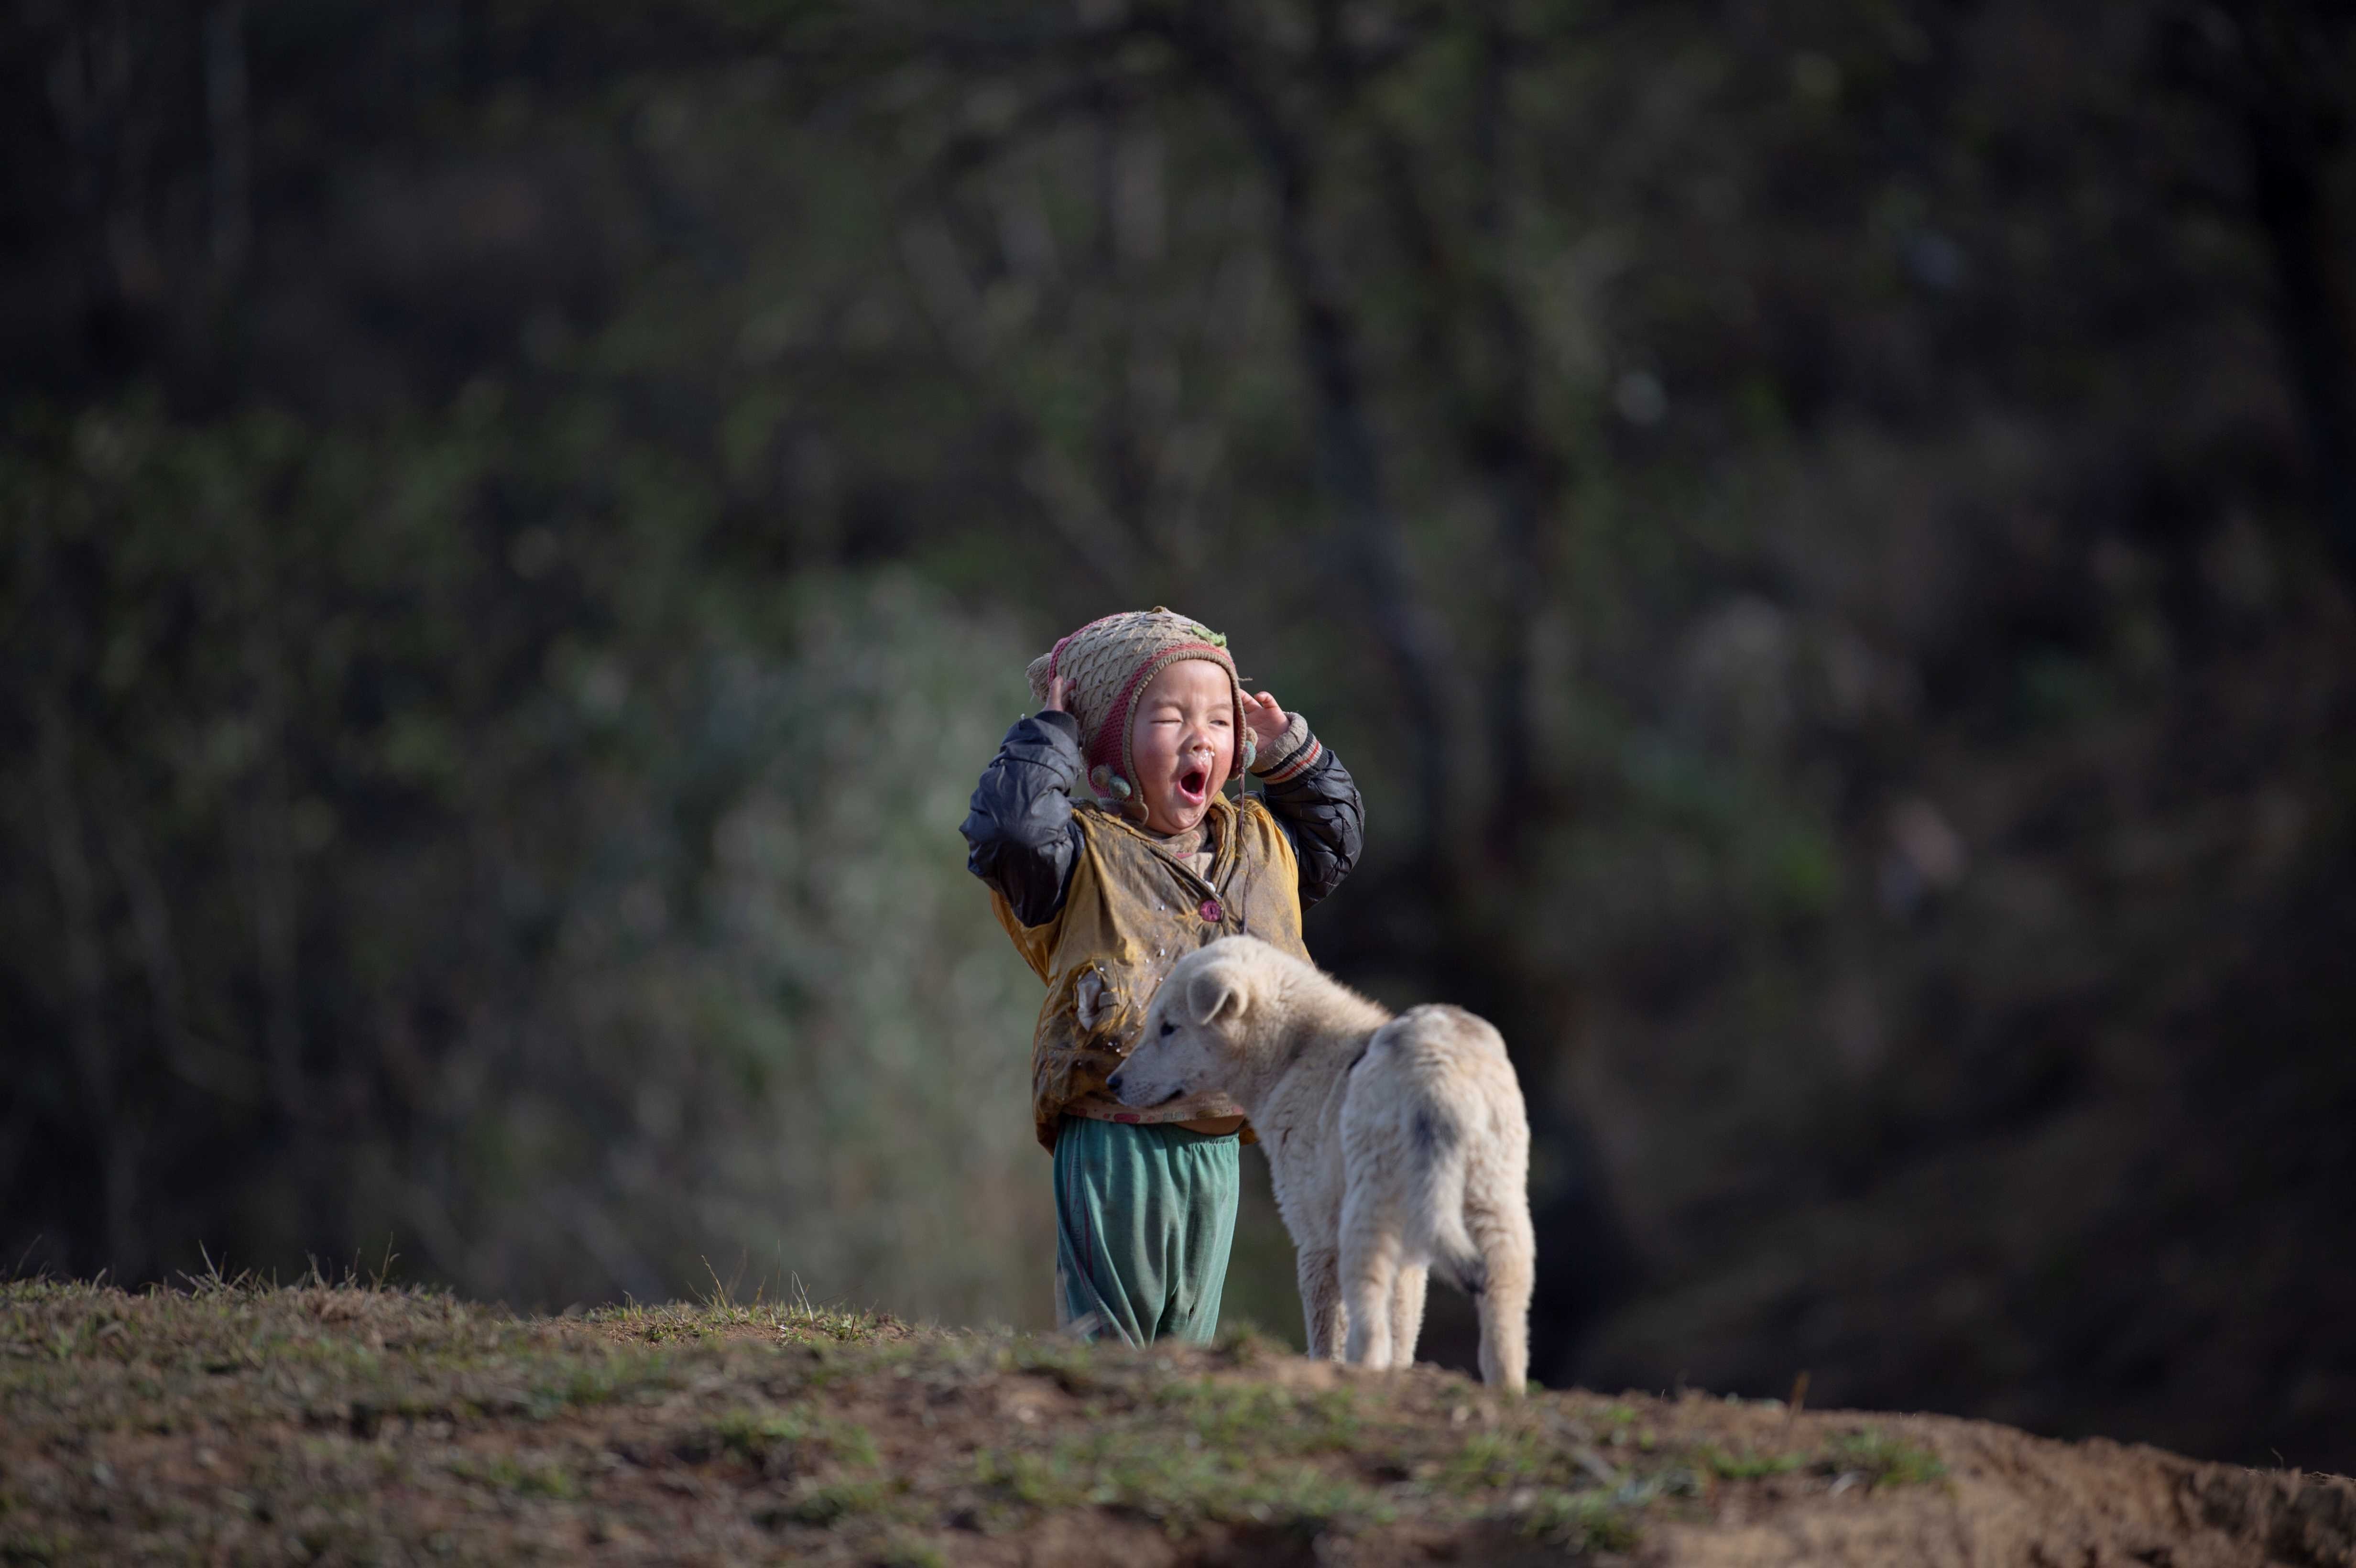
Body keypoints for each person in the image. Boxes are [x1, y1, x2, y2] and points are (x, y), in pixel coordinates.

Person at [961, 607, 1364, 1345]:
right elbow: (1010, 833)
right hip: (1113, 1136)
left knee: (1188, 1343)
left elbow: (1337, 839)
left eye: (1218, 718)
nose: (1200, 736)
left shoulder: (1261, 838)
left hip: (1218, 1137)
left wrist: (1294, 756)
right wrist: (1050, 740)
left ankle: (1163, 1458)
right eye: (1170, 716)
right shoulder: (1075, 852)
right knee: (1113, 1345)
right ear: (1107, 744)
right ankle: (1097, 1451)